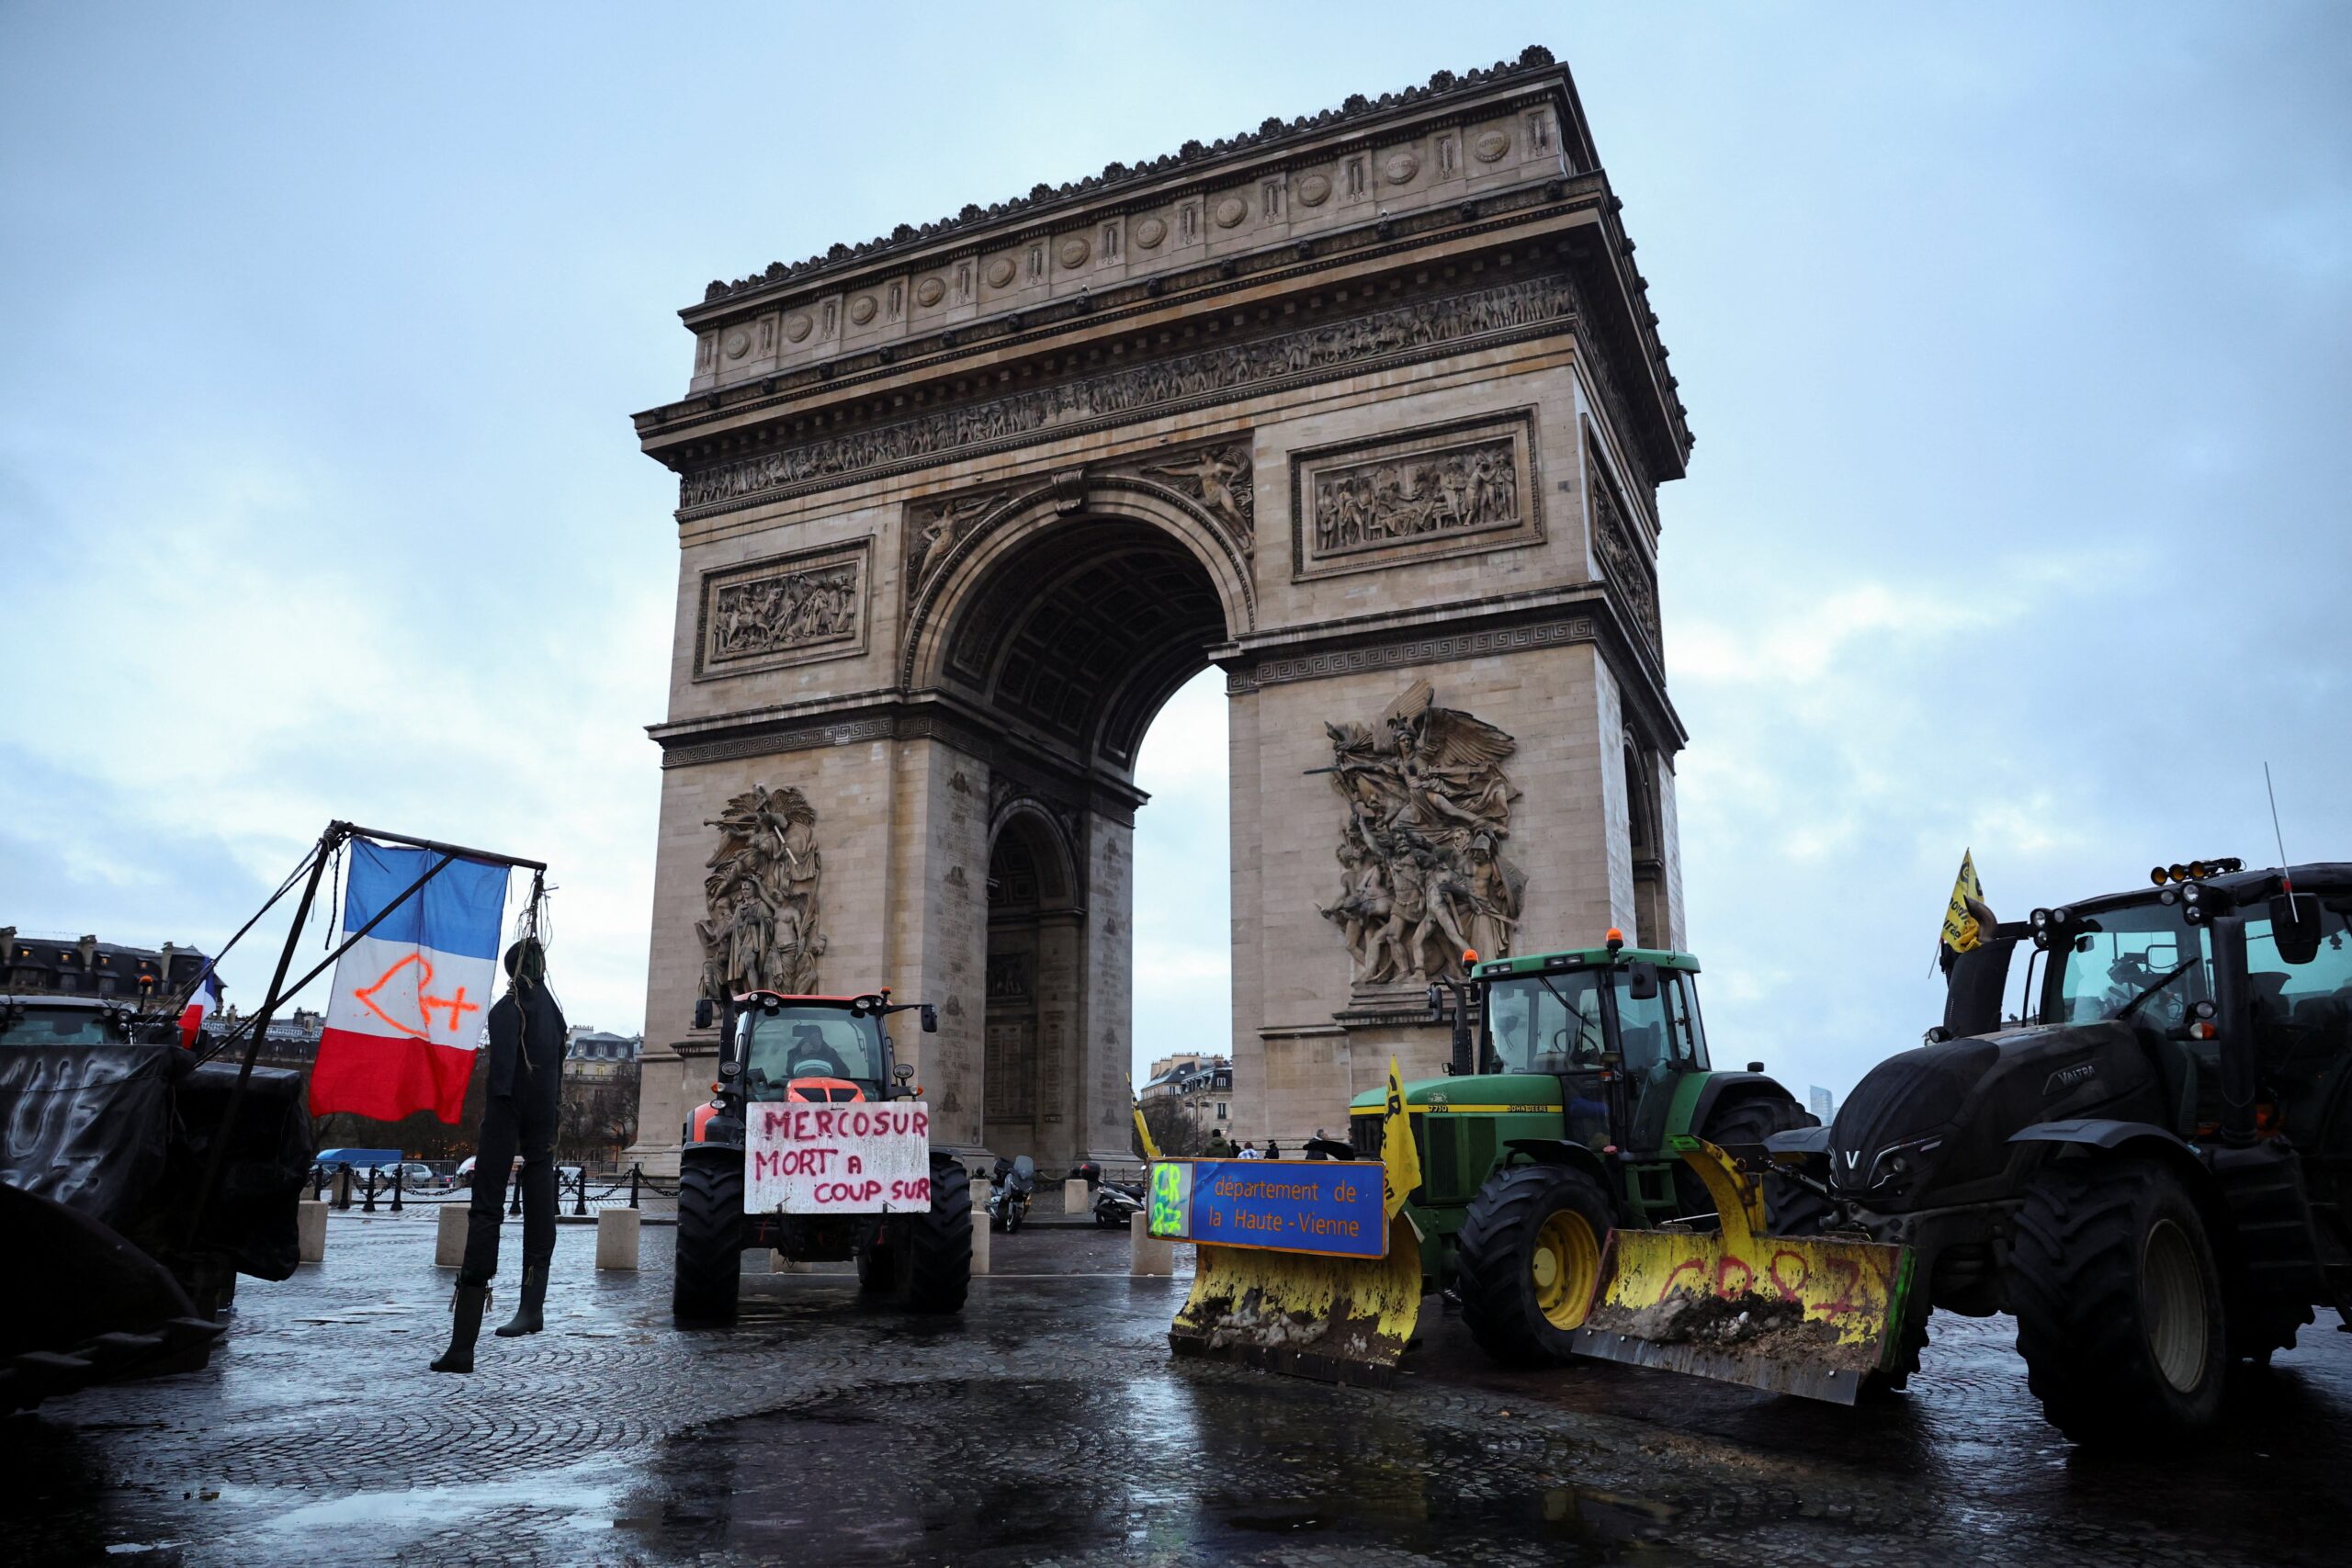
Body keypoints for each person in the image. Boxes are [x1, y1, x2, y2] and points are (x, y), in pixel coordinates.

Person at [434, 938, 568, 1374]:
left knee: (486, 1208)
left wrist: (498, 1114)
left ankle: (462, 1344)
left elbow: (503, 1075)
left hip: (508, 1109)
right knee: (540, 1195)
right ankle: (533, 1305)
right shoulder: (556, 1012)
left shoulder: (510, 1008)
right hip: (545, 1111)